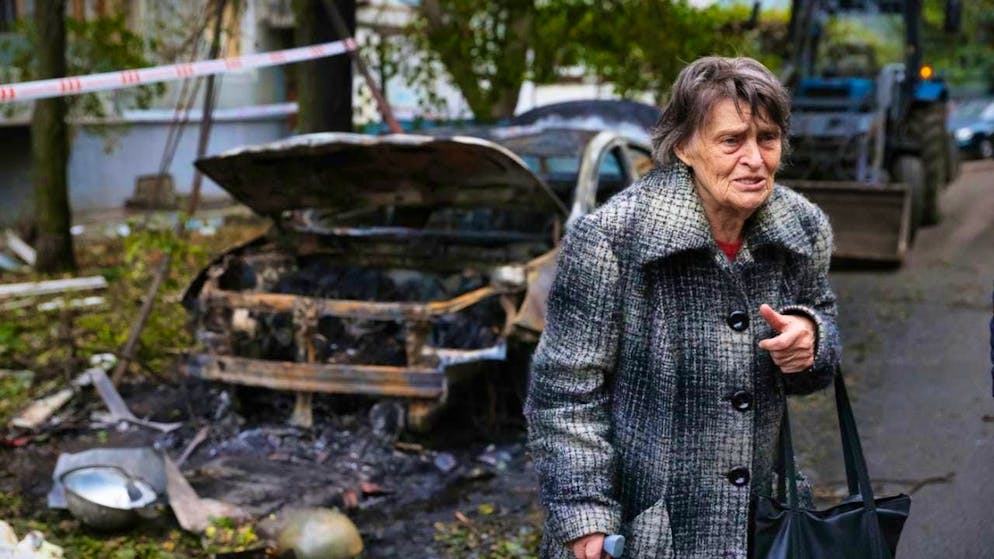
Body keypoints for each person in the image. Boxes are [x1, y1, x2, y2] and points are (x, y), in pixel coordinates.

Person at [524, 56, 841, 559]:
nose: (755, 160)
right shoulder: (611, 240)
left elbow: (820, 326)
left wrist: (812, 336)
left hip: (759, 528)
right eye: (732, 140)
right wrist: (586, 518)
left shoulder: (802, 231)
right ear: (683, 147)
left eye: (768, 138)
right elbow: (564, 394)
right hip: (641, 534)